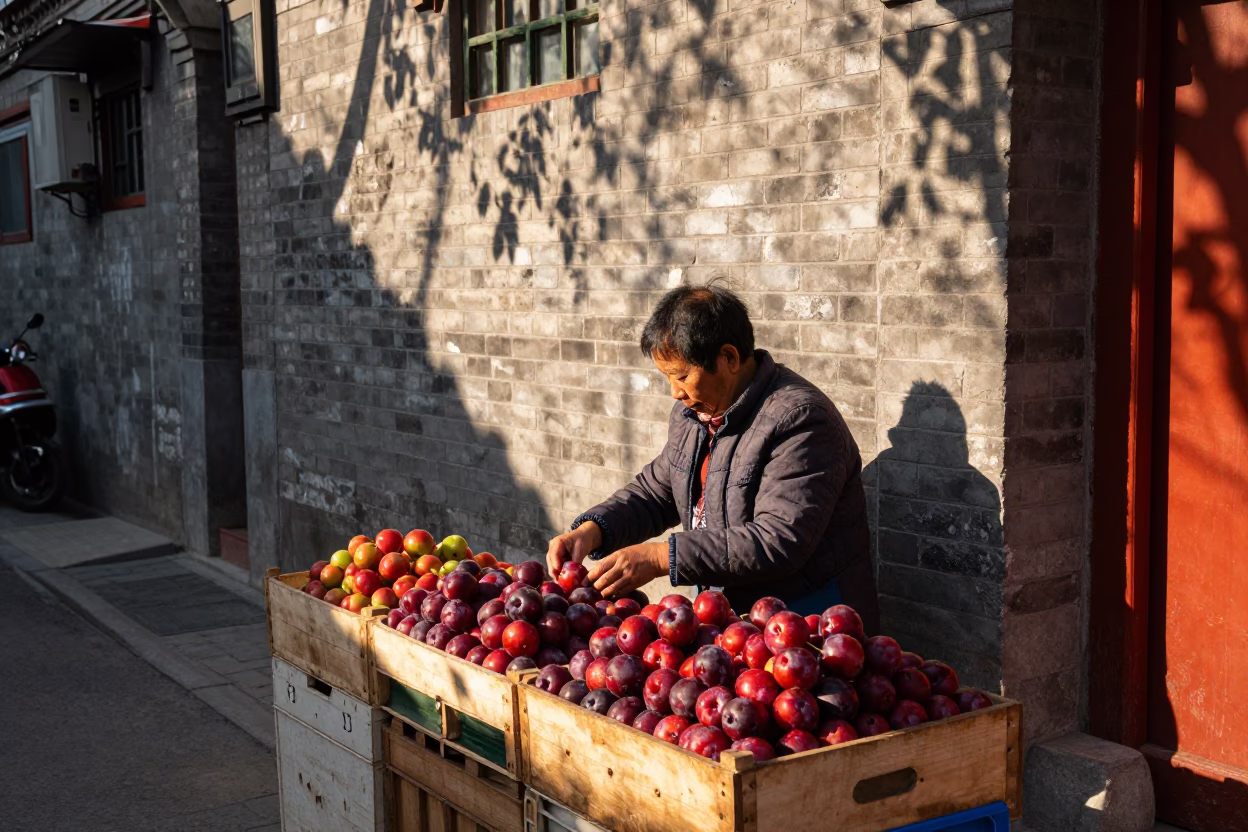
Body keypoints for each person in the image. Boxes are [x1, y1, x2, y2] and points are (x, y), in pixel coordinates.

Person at [545, 284, 879, 631]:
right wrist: (593, 530)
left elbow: (778, 539)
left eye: (681, 376)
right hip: (737, 621)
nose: (675, 392)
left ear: (729, 358)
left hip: (810, 622)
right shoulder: (694, 414)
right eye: (667, 378)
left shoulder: (801, 420)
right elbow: (658, 491)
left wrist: (662, 558)